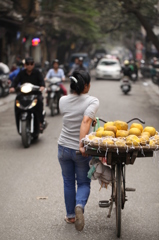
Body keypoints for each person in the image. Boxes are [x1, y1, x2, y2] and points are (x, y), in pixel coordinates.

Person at [58, 70, 99, 231]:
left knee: (68, 181)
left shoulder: (62, 100)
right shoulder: (92, 101)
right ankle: (79, 206)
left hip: (62, 148)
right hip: (80, 151)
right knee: (83, 182)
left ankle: (71, 216)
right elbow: (85, 120)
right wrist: (81, 145)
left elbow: (73, 116)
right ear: (86, 85)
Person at [9, 57, 45, 131]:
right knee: (17, 100)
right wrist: (12, 87)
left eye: (31, 64)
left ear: (33, 65)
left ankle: (40, 122)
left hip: (35, 94)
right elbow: (15, 81)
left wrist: (41, 87)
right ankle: (18, 118)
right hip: (23, 95)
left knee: (40, 102)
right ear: (25, 65)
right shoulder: (21, 73)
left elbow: (42, 82)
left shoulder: (37, 72)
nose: (29, 66)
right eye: (27, 64)